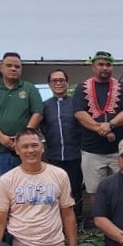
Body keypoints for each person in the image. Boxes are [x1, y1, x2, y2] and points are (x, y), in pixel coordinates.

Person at [0, 128, 79, 246]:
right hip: (22, 245)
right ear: (17, 150)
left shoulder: (59, 175)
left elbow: (68, 214)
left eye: (34, 145)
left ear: (42, 147)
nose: (30, 150)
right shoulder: (6, 180)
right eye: (25, 147)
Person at [74, 51, 123, 214]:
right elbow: (79, 114)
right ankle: (101, 224)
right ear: (93, 67)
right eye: (101, 64)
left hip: (119, 151)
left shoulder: (122, 88)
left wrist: (110, 125)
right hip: (91, 151)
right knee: (95, 191)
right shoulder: (82, 88)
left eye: (108, 64)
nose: (105, 68)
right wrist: (100, 129)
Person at [0, 52, 44, 178]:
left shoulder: (30, 88)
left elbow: (38, 113)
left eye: (17, 67)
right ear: (1, 68)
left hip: (27, 151)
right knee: (4, 188)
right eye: (9, 66)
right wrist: (1, 137)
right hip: (0, 149)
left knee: (28, 185)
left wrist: (23, 137)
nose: (13, 69)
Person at [40, 68, 85, 219]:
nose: (58, 83)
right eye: (55, 81)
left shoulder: (76, 104)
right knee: (55, 190)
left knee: (75, 189)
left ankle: (77, 222)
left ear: (67, 83)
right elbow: (43, 127)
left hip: (75, 155)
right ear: (49, 84)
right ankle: (57, 221)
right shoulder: (44, 106)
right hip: (53, 156)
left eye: (61, 80)